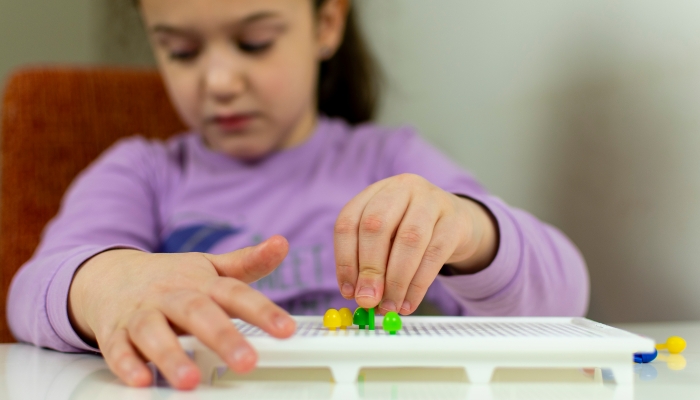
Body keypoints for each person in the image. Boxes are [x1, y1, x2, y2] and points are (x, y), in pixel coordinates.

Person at [6, 0, 589, 391]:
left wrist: (470, 230)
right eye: (181, 51)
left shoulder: (391, 160)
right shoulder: (144, 172)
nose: (219, 82)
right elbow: (30, 291)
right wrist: (106, 283)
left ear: (327, 24)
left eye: (255, 43)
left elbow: (567, 297)